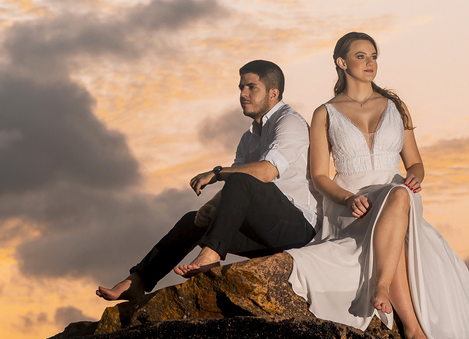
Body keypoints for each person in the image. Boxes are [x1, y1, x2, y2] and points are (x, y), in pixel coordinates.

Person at [287, 32, 469, 339]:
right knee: (394, 208)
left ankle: (382, 288)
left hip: (398, 194)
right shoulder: (325, 113)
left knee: (398, 195)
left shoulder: (396, 106)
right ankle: (413, 330)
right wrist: (347, 198)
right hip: (352, 201)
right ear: (341, 62)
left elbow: (416, 163)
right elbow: (320, 176)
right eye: (361, 56)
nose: (370, 63)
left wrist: (416, 177)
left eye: (374, 56)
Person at [97, 59, 318, 301]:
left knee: (240, 178)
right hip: (264, 232)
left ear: (273, 93)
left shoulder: (290, 122)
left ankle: (210, 257)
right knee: (193, 220)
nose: (243, 94)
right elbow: (237, 190)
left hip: (296, 229)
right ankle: (138, 280)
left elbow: (266, 172)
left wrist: (216, 173)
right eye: (241, 87)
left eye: (251, 87)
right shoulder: (248, 137)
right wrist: (210, 208)